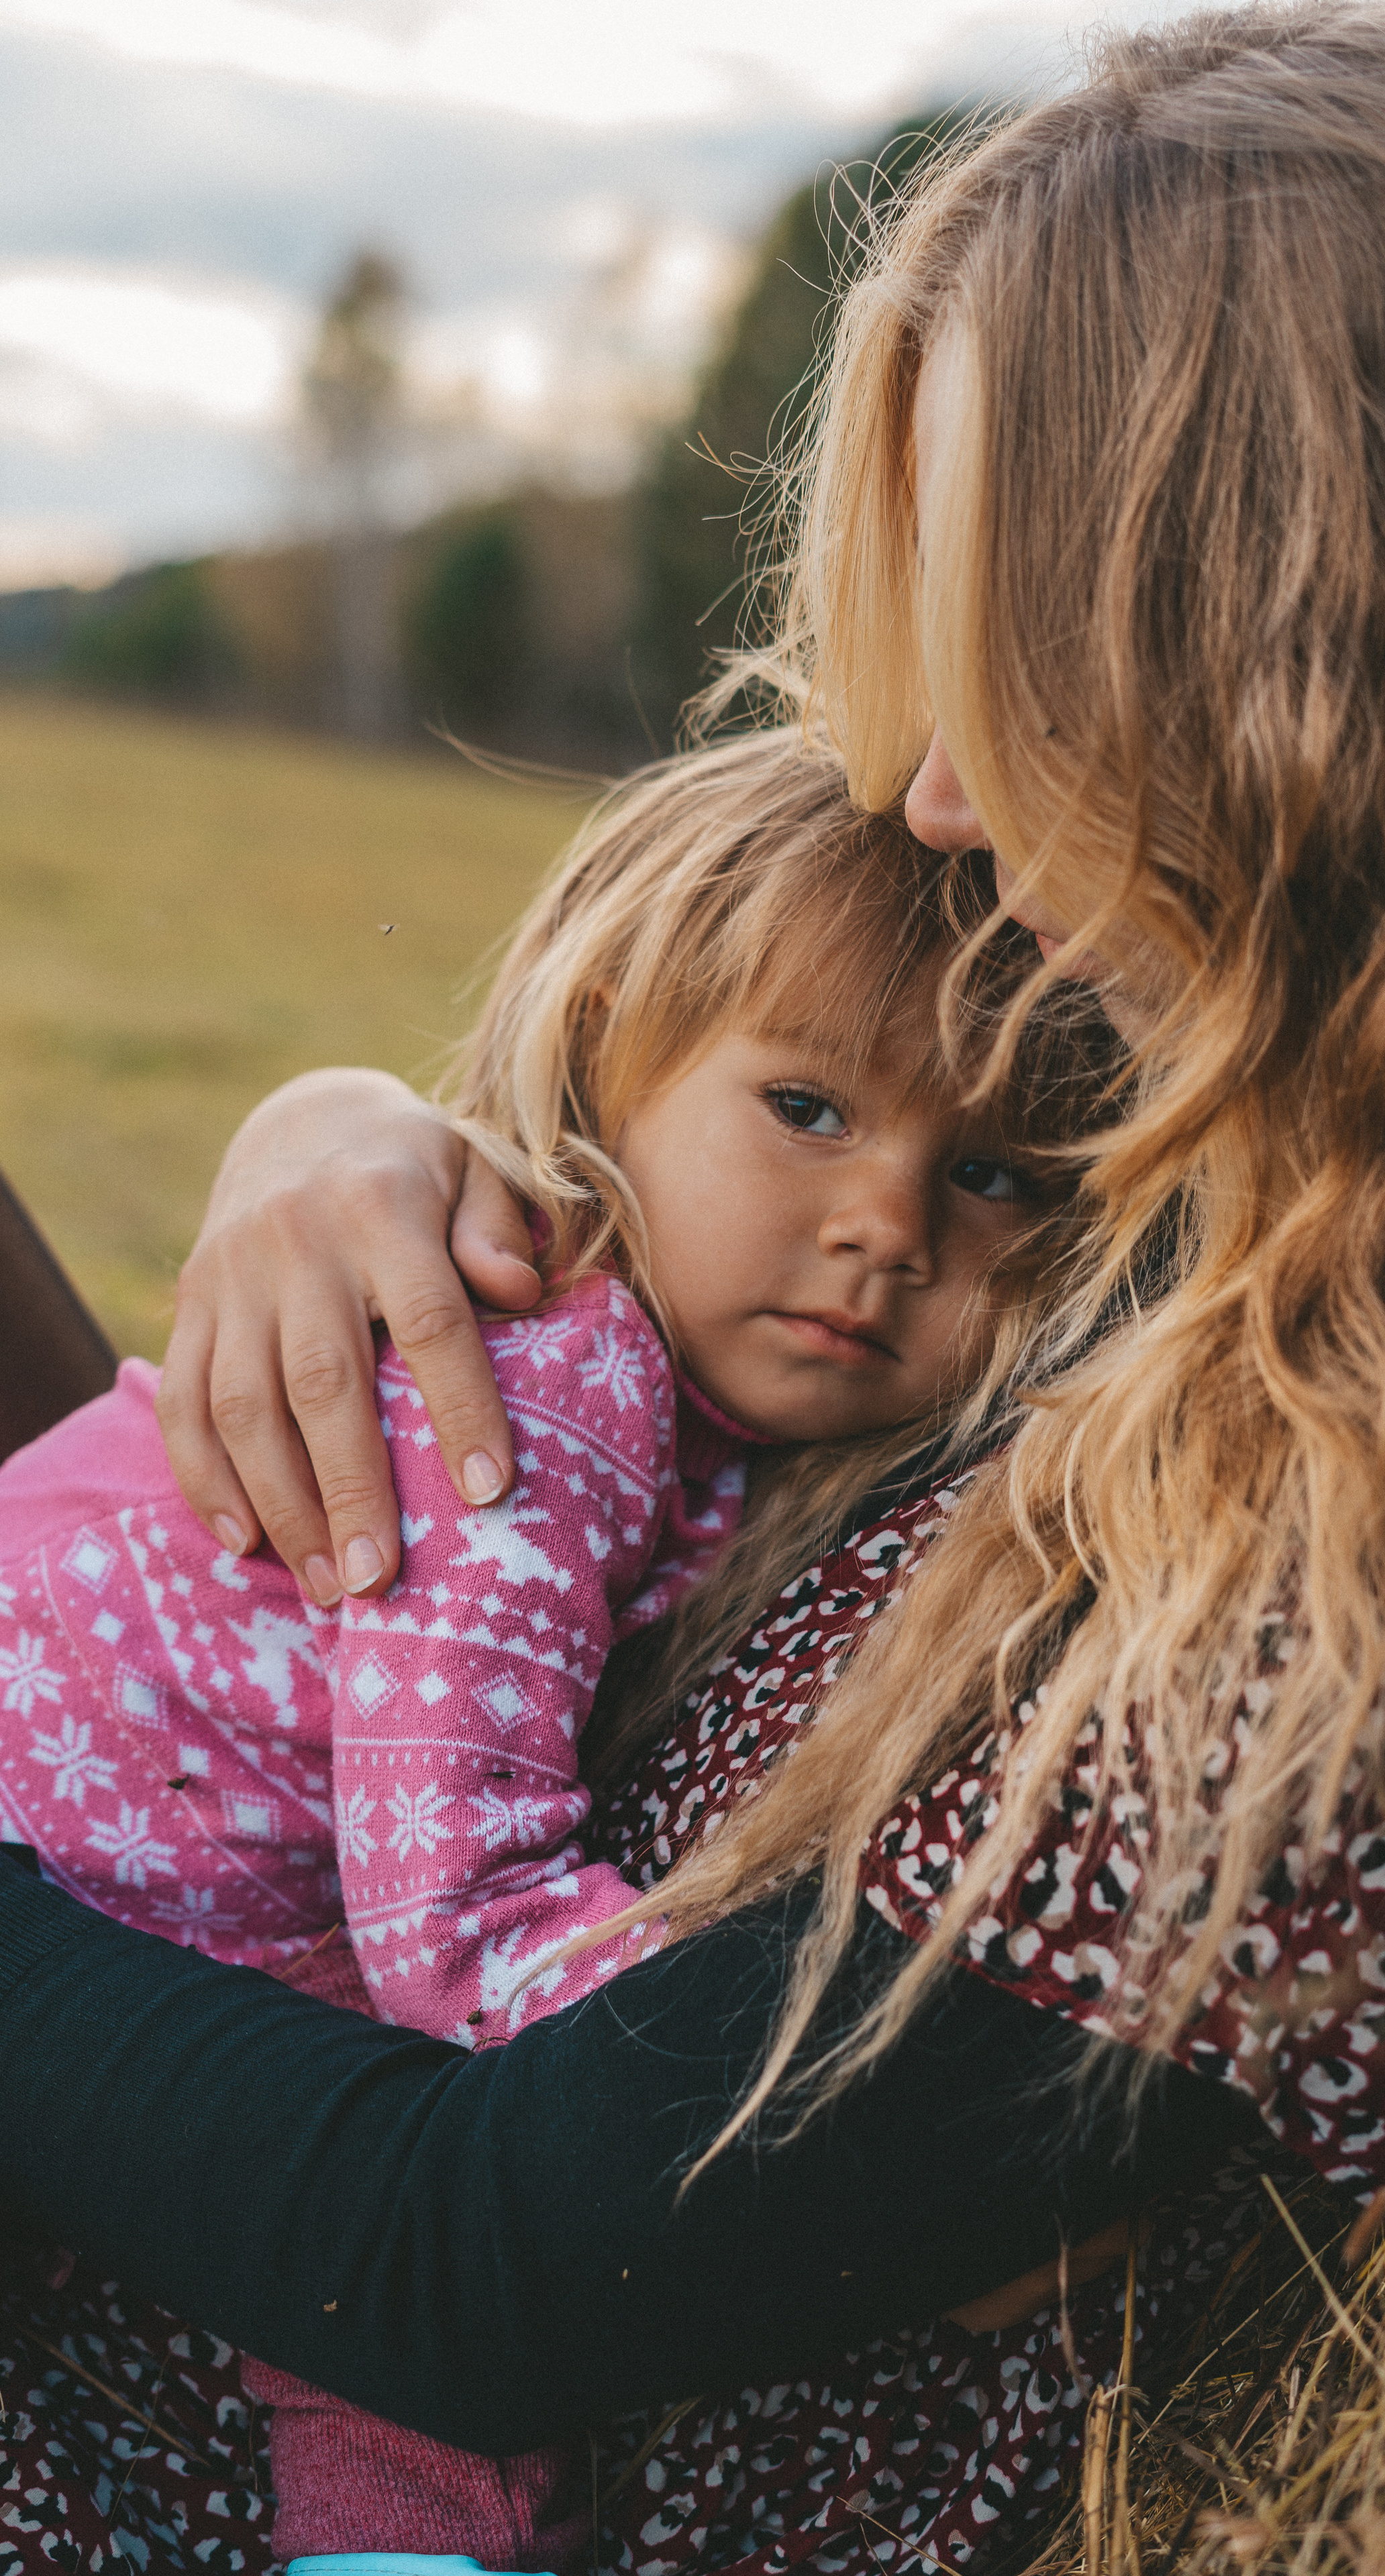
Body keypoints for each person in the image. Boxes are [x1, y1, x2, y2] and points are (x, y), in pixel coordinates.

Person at [5, 7, 1385, 2572]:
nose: (931, 793)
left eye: (1017, 668)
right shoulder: (1219, 1189)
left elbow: (485, 2262)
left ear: (1316, 668)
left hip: (292, 2445)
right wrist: (341, 1134)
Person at [0, 729, 1119, 2576]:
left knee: (406, 2395)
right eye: (810, 1108)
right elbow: (458, 1908)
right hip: (91, 1854)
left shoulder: (701, 1418)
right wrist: (857, 2159)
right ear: (616, 1049)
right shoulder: (546, 1381)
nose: (885, 1227)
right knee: (432, 2345)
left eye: (994, 1175)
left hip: (193, 1900)